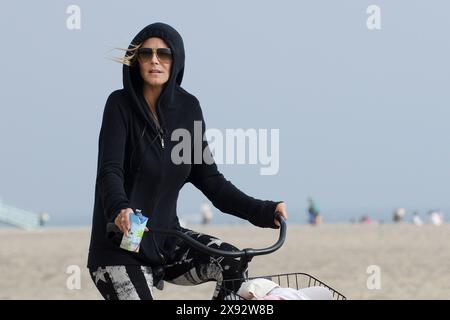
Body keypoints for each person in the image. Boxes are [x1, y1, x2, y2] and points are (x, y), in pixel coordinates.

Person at [87, 23, 288, 300]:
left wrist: (264, 211)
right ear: (137, 61)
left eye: (164, 54)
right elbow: (109, 171)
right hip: (120, 246)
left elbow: (211, 181)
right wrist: (121, 208)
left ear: (176, 60)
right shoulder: (119, 105)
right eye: (146, 54)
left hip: (166, 240)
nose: (155, 60)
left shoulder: (187, 108)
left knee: (232, 262)